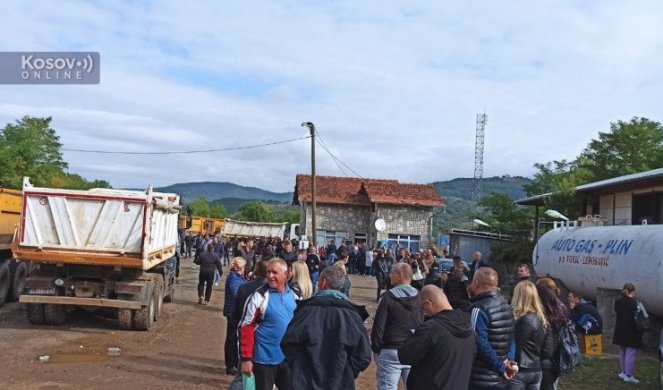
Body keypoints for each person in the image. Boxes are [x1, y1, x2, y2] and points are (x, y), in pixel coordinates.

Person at [281, 266, 372, 390]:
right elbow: (288, 344)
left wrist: (347, 371)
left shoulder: (349, 314)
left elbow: (363, 355)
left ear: (323, 282)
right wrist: (300, 369)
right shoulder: (308, 310)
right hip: (308, 380)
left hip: (332, 381)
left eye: (319, 280)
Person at [397, 285, 476, 390]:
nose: (424, 314)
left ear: (428, 303)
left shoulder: (431, 328)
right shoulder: (471, 330)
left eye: (423, 309)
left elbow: (404, 355)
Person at [238, 258, 299, 390]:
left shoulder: (295, 295)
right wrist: (246, 359)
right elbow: (245, 327)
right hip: (263, 361)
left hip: (287, 359)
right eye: (268, 272)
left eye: (274, 272)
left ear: (285, 274)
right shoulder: (258, 297)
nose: (270, 276)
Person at [371, 263, 424, 390]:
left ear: (400, 276)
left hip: (390, 351)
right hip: (413, 351)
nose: (390, 275)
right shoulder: (420, 297)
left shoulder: (387, 298)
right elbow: (422, 325)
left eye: (392, 272)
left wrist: (376, 349)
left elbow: (378, 327)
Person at [468, 267, 517, 389]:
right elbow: (512, 338)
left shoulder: (478, 309)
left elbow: (478, 342)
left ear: (476, 283)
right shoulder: (507, 306)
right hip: (501, 376)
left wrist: (501, 366)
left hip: (481, 376)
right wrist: (509, 360)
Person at [228, 260, 268, 390]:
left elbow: (234, 314)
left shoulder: (244, 287)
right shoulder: (271, 292)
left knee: (243, 375)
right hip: (264, 339)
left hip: (246, 335)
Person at [509, 281, 553, 390]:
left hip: (521, 370)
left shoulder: (524, 320)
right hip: (536, 369)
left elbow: (516, 347)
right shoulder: (542, 319)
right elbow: (547, 350)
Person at [536, 283, 569, 390]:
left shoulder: (543, 318)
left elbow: (546, 349)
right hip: (557, 359)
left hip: (545, 362)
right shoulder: (560, 312)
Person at [613, 283, 643, 384]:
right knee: (630, 353)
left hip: (620, 330)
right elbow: (638, 316)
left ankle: (623, 372)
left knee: (623, 352)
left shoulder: (617, 302)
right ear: (632, 292)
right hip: (631, 331)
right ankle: (628, 375)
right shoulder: (634, 303)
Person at [223, 257, 246, 375]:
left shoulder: (236, 277)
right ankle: (230, 364)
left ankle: (232, 362)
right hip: (233, 312)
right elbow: (235, 291)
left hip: (232, 311)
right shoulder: (234, 278)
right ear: (239, 267)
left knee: (233, 338)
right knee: (232, 339)